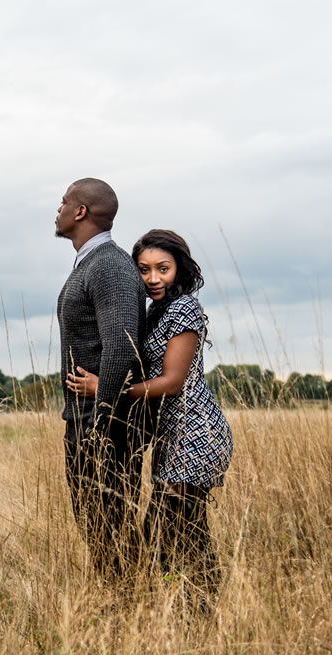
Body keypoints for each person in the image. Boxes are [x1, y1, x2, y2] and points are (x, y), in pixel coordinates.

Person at [65, 229, 233, 596]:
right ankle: (198, 607)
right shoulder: (156, 311)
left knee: (164, 531)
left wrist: (104, 389)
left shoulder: (184, 307)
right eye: (143, 270)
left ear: (180, 269)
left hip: (195, 432)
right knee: (185, 530)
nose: (153, 279)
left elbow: (172, 382)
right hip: (171, 436)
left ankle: (200, 606)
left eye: (163, 268)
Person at [54, 178, 147, 576]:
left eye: (63, 202)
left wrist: (100, 423)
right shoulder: (93, 264)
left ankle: (130, 615)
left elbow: (122, 347)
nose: (56, 210)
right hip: (88, 420)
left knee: (109, 529)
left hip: (103, 426)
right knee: (98, 527)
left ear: (80, 212)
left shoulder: (108, 264)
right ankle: (122, 614)